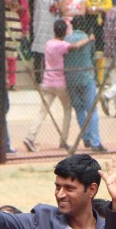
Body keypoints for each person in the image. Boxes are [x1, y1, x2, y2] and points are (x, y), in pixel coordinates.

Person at [23, 19, 79, 154]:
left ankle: (30, 136)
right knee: (67, 110)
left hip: (47, 82)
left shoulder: (48, 44)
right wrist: (88, 39)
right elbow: (74, 46)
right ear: (65, 31)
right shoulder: (63, 45)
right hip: (60, 83)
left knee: (42, 112)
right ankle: (63, 139)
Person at [65, 16, 105, 152]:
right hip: (86, 76)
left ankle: (87, 136)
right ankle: (95, 141)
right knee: (91, 109)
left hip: (71, 77)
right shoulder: (88, 39)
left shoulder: (67, 39)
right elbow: (92, 55)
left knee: (79, 108)